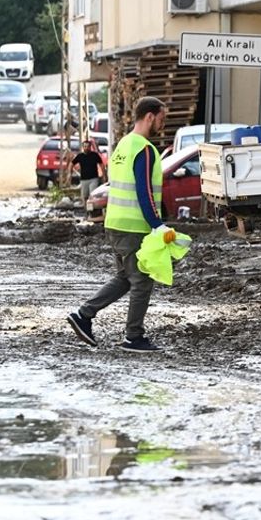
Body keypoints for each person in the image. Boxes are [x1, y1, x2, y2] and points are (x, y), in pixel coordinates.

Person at [68, 96, 169, 353]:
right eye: (161, 117)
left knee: (125, 278)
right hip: (133, 227)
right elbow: (144, 190)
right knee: (143, 281)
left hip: (115, 222)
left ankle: (84, 315)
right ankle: (133, 337)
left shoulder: (123, 145)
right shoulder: (144, 149)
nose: (162, 123)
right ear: (150, 116)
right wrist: (157, 224)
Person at [72, 138, 106, 210]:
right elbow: (72, 163)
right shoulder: (80, 156)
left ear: (90, 147)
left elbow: (101, 165)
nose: (86, 148)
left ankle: (92, 210)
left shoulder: (94, 155)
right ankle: (86, 210)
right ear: (83, 147)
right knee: (85, 196)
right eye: (85, 146)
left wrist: (104, 175)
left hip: (93, 178)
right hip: (84, 179)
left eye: (88, 146)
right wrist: (69, 172)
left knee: (92, 195)